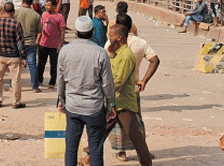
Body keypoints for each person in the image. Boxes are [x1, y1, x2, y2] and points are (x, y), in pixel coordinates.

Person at [57, 16, 116, 166]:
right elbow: (107, 84)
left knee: (71, 148)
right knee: (96, 148)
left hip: (72, 106)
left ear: (76, 32)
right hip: (94, 108)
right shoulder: (100, 53)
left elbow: (60, 79)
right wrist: (110, 105)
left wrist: (61, 100)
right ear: (93, 32)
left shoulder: (65, 51)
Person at [105, 14, 160, 162]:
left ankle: (143, 159)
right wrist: (144, 81)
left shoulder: (126, 55)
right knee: (104, 129)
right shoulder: (121, 50)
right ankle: (90, 155)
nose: (108, 37)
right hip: (118, 97)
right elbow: (154, 60)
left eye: (110, 35)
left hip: (122, 99)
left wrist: (102, 90)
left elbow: (118, 81)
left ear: (118, 36)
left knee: (133, 133)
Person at [0, 2, 26, 109]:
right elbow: (20, 42)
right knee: (15, 80)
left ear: (3, 11)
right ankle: (15, 102)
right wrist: (23, 57)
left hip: (0, 55)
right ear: (13, 11)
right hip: (14, 56)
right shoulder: (16, 24)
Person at [14, 0, 42, 93]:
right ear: (31, 3)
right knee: (32, 64)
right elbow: (40, 32)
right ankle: (35, 86)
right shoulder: (36, 15)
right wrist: (37, 42)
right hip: (31, 42)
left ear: (22, 1)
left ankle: (12, 85)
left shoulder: (16, 12)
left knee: (15, 65)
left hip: (18, 42)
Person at [38, 0, 65, 89]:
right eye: (46, 5)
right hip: (43, 43)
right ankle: (39, 80)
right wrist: (38, 40)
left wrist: (60, 44)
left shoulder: (59, 17)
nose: (47, 7)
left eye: (49, 5)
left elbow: (62, 31)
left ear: (54, 6)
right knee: (41, 63)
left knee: (54, 65)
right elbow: (41, 28)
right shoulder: (44, 15)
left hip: (54, 45)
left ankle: (52, 82)